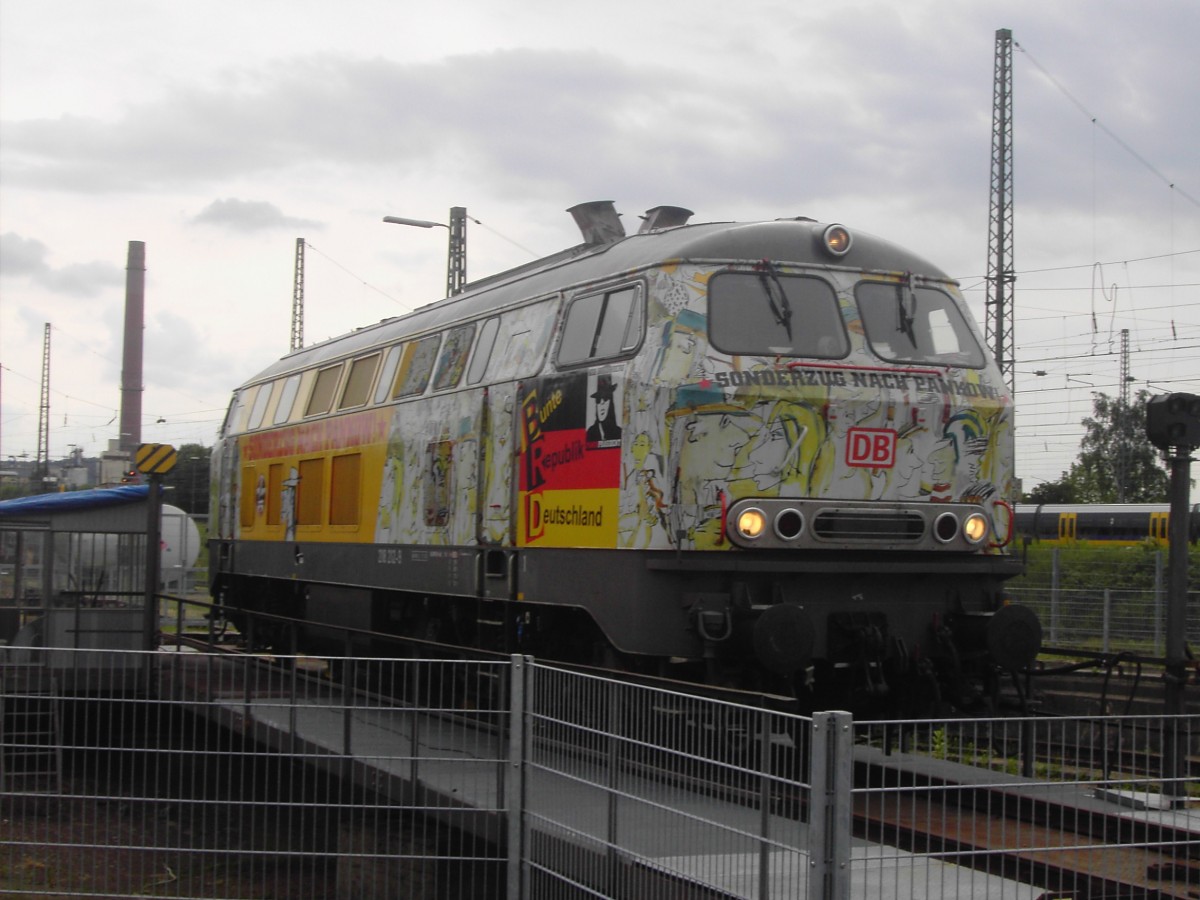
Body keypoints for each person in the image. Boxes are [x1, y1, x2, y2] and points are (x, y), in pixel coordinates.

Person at [586, 375, 622, 444]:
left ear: (611, 403)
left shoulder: (619, 433)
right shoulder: (590, 433)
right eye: (598, 400)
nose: (601, 403)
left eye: (605, 398)